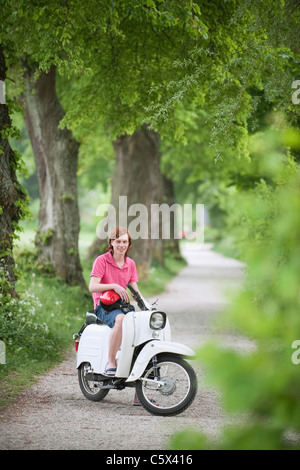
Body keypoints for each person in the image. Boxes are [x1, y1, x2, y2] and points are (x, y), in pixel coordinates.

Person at [89, 226, 141, 376]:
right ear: (111, 242)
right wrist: (114, 286)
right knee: (121, 319)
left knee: (141, 324)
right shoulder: (101, 261)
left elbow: (135, 290)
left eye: (125, 242)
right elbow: (92, 287)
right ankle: (110, 361)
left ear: (129, 244)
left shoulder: (130, 264)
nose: (121, 245)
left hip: (122, 305)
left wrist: (146, 306)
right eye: (118, 241)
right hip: (104, 306)